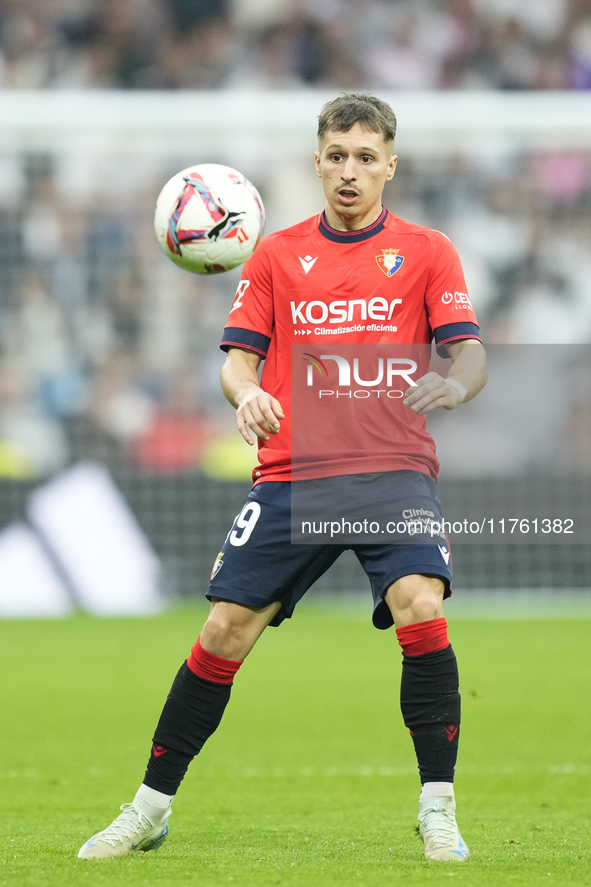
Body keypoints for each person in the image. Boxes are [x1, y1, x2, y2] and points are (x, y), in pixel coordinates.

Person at [78, 93, 487, 863]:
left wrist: (455, 383)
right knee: (224, 631)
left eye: (366, 157)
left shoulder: (428, 251)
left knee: (419, 602)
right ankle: (148, 807)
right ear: (316, 161)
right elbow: (237, 361)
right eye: (336, 155)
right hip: (293, 477)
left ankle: (438, 808)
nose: (349, 171)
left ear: (389, 166)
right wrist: (250, 392)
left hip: (392, 473)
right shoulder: (274, 254)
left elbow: (467, 350)